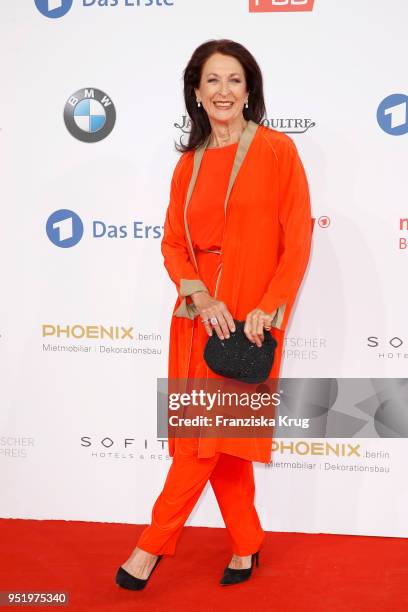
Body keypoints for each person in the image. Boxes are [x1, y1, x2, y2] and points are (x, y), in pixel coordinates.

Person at [115, 38, 312, 590]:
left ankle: (149, 548)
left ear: (250, 90)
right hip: (198, 317)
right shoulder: (188, 163)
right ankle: (248, 544)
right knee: (215, 442)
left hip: (251, 322)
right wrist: (201, 297)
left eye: (234, 80)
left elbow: (296, 240)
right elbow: (173, 244)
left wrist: (268, 310)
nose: (223, 91)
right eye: (212, 81)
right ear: (196, 93)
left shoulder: (277, 151)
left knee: (208, 440)